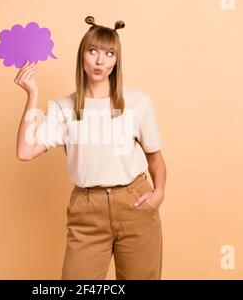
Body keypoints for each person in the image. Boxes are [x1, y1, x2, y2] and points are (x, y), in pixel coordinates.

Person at [15, 16, 167, 280]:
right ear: (82, 55)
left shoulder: (137, 102)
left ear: (116, 61)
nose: (100, 61)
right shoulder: (64, 108)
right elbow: (25, 151)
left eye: (109, 54)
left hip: (135, 204)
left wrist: (159, 194)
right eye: (93, 51)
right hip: (87, 209)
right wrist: (32, 96)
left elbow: (155, 158)